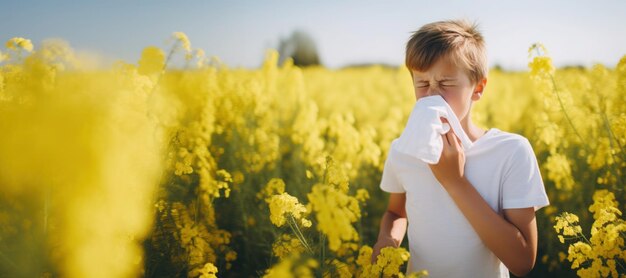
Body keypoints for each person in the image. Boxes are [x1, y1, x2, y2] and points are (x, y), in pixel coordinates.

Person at [371, 19, 550, 277]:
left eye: (446, 83)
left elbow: (522, 262)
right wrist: (387, 240)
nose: (432, 95)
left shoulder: (511, 152)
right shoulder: (403, 150)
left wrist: (455, 182)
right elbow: (395, 212)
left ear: (478, 88)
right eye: (422, 84)